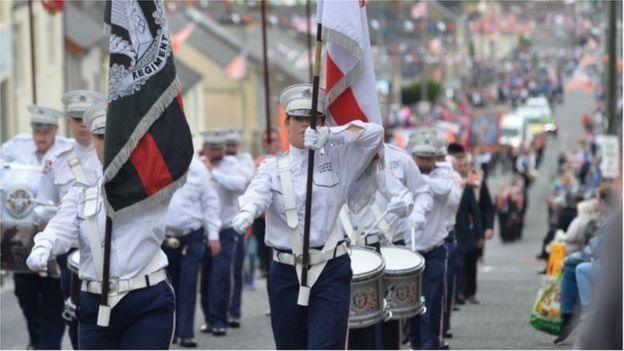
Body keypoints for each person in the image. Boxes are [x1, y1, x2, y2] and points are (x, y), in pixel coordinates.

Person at [231, 83, 384, 349]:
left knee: (325, 345)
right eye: (300, 119)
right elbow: (258, 193)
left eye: (314, 120)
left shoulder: (339, 160)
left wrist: (331, 134)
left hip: (330, 268)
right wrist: (247, 211)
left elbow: (375, 134)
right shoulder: (272, 167)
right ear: (287, 124)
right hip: (285, 270)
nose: (306, 126)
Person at [26, 102, 175, 350]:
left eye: (115, 135)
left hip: (146, 300)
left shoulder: (154, 181)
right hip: (95, 303)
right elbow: (62, 226)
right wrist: (44, 245)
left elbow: (177, 156)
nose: (106, 143)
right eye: (100, 136)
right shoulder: (83, 188)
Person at [36, 90, 106, 349]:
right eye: (77, 119)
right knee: (75, 314)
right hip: (71, 252)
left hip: (106, 250)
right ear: (69, 121)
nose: (83, 126)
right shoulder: (57, 162)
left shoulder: (112, 156)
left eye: (88, 119)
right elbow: (45, 206)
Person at [1, 105, 73, 349]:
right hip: (21, 234)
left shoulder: (68, 150)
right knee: (24, 292)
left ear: (55, 129)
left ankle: (48, 345)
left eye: (46, 131)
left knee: (53, 293)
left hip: (54, 232)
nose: (40, 136)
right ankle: (37, 337)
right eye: (36, 130)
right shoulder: (16, 147)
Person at [407, 129, 460, 350]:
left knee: (433, 301)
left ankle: (431, 345)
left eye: (429, 158)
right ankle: (415, 344)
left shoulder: (443, 176)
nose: (424, 162)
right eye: (420, 158)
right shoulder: (406, 174)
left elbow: (448, 191)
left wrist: (420, 180)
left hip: (434, 248)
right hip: (410, 251)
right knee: (409, 303)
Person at [164, 156, 221, 347]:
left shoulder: (198, 169)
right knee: (167, 287)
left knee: (188, 285)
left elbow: (210, 202)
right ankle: (170, 330)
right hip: (164, 238)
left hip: (192, 235)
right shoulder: (159, 162)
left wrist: (213, 234)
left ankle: (186, 332)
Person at [198, 130, 250, 336]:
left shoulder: (231, 164)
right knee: (205, 278)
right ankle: (209, 319)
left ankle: (221, 319)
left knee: (221, 276)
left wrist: (213, 172)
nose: (216, 151)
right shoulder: (198, 164)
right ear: (206, 149)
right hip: (202, 231)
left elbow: (239, 185)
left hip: (226, 230)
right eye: (212, 148)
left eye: (219, 148)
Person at [222, 127, 255, 328]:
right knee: (218, 273)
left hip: (237, 223)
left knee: (235, 269)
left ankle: (233, 310)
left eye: (234, 145)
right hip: (218, 224)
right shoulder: (217, 163)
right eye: (228, 146)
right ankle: (218, 311)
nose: (231, 149)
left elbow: (243, 183)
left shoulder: (244, 162)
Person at [452, 151, 484, 306]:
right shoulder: (449, 183)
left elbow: (475, 211)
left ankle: (468, 292)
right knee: (457, 264)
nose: (462, 169)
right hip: (451, 230)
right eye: (459, 166)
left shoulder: (470, 186)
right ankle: (458, 293)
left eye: (464, 166)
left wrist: (480, 234)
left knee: (468, 263)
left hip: (465, 230)